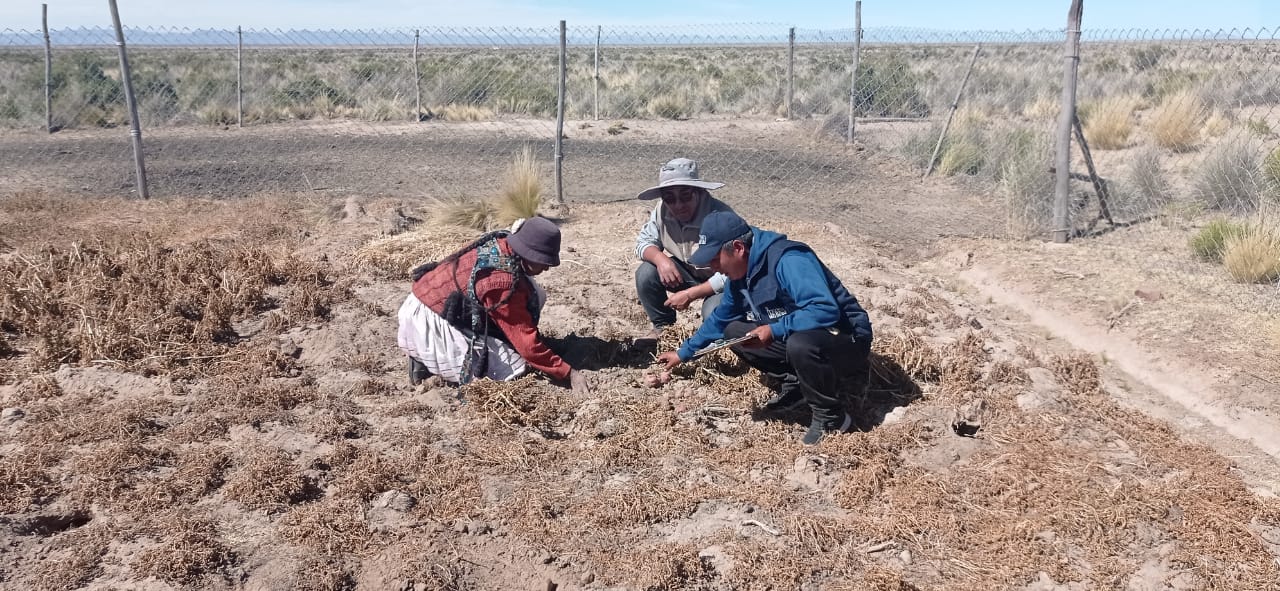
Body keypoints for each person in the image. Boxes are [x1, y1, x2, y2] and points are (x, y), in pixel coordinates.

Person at [656, 211, 873, 445]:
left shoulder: (789, 260)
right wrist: (683, 353)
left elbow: (824, 310)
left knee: (800, 344)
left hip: (846, 338)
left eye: (715, 259)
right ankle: (799, 383)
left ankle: (831, 416)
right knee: (734, 332)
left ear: (738, 248)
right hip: (802, 336)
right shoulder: (740, 274)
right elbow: (720, 319)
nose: (714, 268)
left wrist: (775, 330)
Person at [397, 217, 590, 394]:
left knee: (535, 294)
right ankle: (424, 361)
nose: (546, 268)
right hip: (427, 318)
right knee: (512, 368)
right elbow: (528, 347)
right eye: (543, 261)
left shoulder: (504, 243)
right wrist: (569, 373)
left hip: (438, 300)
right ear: (528, 254)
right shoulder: (500, 283)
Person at [633, 157, 738, 341]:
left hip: (723, 282)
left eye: (685, 196)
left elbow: (734, 272)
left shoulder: (720, 217)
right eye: (669, 198)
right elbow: (643, 243)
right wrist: (661, 260)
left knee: (712, 311)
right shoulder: (661, 211)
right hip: (688, 272)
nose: (678, 205)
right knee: (646, 273)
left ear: (699, 191)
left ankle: (714, 338)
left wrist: (690, 294)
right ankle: (663, 328)